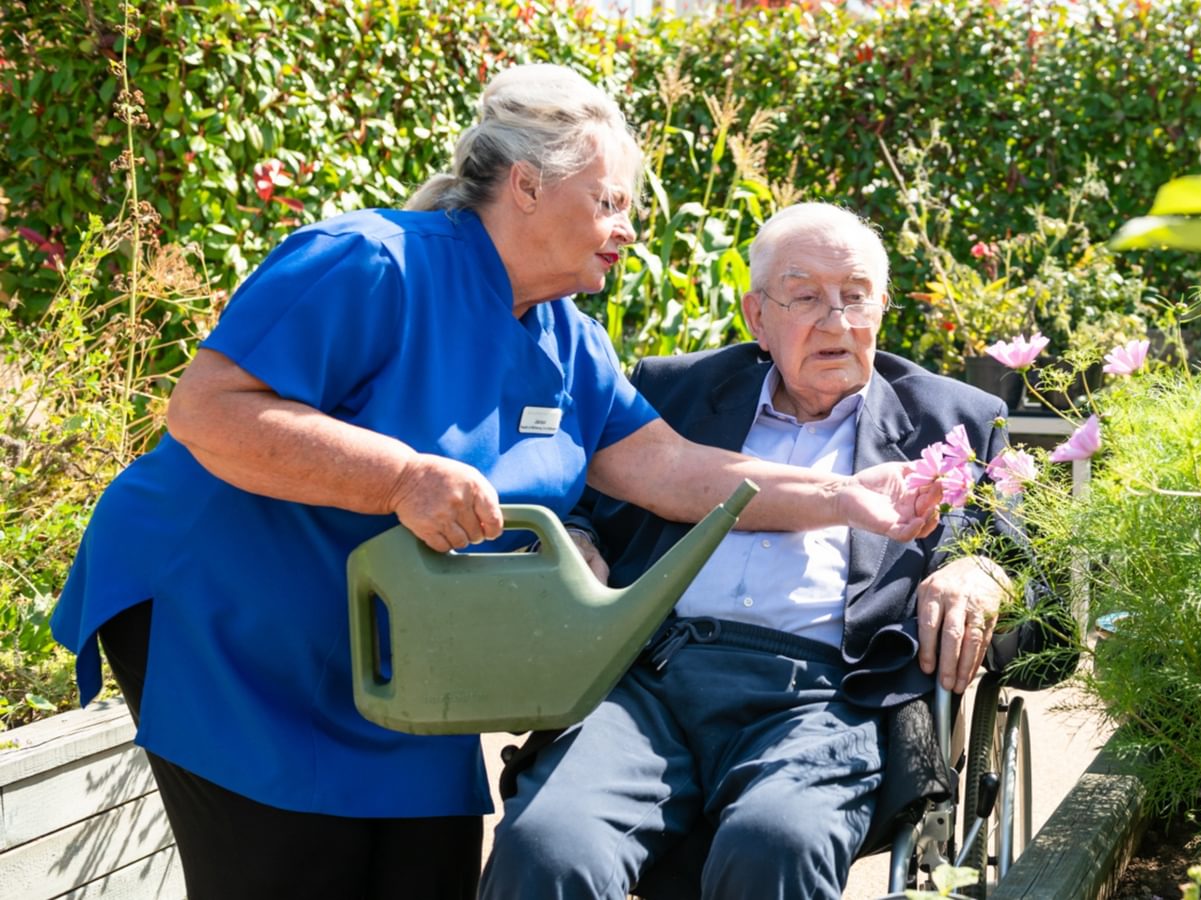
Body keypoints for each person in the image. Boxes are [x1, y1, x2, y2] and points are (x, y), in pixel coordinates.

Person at [48, 67, 938, 900]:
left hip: (399, 649)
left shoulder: (567, 340)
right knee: (295, 870)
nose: (629, 229)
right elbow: (207, 411)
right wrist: (401, 474)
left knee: (433, 872)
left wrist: (847, 499)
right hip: (231, 618)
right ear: (526, 186)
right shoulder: (371, 261)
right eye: (610, 202)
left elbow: (673, 470)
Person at [480, 202, 1021, 900]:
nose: (836, 321)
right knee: (548, 845)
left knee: (777, 844)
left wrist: (982, 573)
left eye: (855, 296)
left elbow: (1030, 568)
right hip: (653, 679)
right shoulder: (673, 391)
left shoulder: (954, 421)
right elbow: (578, 485)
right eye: (804, 295)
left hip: (825, 696)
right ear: (756, 318)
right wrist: (578, 537)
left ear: (881, 310)